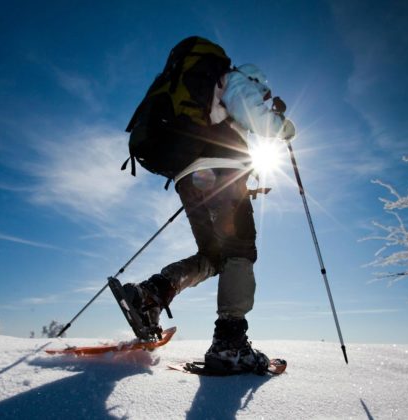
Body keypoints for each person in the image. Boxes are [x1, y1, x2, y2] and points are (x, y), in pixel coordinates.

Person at [124, 61, 295, 374]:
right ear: (257, 79)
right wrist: (282, 126)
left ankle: (151, 294)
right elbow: (254, 115)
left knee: (214, 257)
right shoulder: (237, 79)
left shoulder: (206, 94)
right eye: (264, 91)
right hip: (219, 172)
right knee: (240, 250)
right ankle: (230, 343)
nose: (265, 96)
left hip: (188, 178)